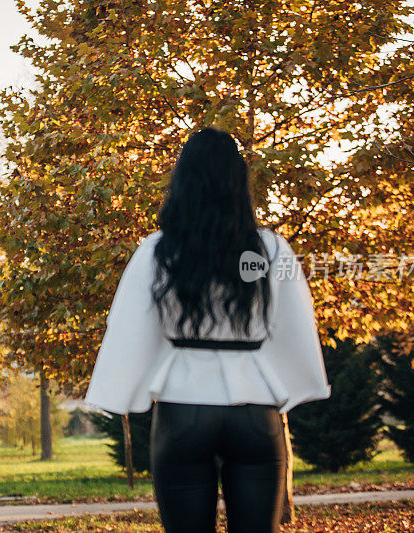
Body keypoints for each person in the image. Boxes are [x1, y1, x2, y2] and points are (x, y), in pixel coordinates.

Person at [85, 127, 331, 533]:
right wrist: (299, 383)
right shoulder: (270, 249)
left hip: (183, 410)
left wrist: (120, 391)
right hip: (256, 411)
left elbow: (128, 328)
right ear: (238, 181)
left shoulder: (159, 250)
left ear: (182, 180)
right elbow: (298, 322)